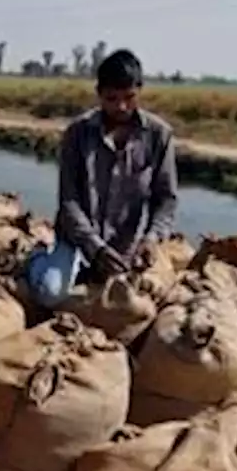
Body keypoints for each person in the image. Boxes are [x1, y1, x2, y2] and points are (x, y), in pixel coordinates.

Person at [31, 49, 178, 305]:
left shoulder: (158, 135)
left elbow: (165, 198)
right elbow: (69, 201)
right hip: (77, 239)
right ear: (99, 93)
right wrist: (94, 248)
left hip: (125, 244)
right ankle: (36, 258)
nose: (121, 106)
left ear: (140, 90)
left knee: (151, 299)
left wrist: (151, 239)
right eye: (112, 99)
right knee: (50, 294)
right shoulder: (77, 133)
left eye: (129, 97)